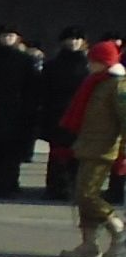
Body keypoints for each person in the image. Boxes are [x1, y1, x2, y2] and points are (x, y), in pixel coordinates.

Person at [52, 38, 125, 257]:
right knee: (82, 197)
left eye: (94, 61)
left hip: (104, 149)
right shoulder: (95, 82)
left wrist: (123, 153)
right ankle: (89, 244)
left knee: (87, 195)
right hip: (87, 145)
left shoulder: (118, 86)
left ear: (105, 62)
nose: (89, 64)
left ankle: (118, 228)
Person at [0, 26, 41, 199]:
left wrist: (30, 111)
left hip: (17, 113)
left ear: (17, 38)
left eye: (11, 36)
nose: (7, 39)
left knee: (12, 152)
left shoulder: (26, 61)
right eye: (4, 36)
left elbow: (32, 89)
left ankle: (11, 184)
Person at [41, 27, 91, 200]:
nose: (73, 42)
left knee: (78, 154)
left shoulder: (88, 65)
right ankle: (55, 187)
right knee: (57, 153)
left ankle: (75, 187)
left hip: (82, 115)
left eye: (77, 39)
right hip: (57, 114)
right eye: (70, 39)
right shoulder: (53, 65)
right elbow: (44, 92)